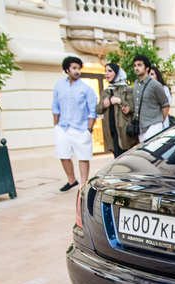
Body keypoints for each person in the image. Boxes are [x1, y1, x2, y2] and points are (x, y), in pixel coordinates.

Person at [52, 56, 97, 192]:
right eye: (74, 68)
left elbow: (92, 111)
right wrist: (56, 126)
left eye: (79, 68)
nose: (77, 71)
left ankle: (83, 184)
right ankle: (72, 180)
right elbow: (55, 106)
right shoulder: (59, 86)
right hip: (63, 127)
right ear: (67, 69)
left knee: (83, 156)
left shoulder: (86, 89)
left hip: (81, 128)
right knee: (63, 155)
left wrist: (89, 129)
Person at [96, 64, 137, 158]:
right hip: (110, 128)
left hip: (123, 129)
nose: (107, 73)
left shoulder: (127, 89)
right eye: (105, 71)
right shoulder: (106, 91)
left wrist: (120, 101)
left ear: (117, 73)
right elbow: (98, 110)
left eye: (110, 71)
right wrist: (104, 105)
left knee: (123, 157)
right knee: (116, 156)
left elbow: (132, 107)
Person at [132, 55, 169, 142]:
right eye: (135, 65)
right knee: (144, 154)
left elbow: (166, 105)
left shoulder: (155, 85)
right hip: (140, 127)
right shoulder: (136, 84)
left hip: (153, 126)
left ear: (147, 68)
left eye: (139, 65)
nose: (136, 68)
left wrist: (160, 122)